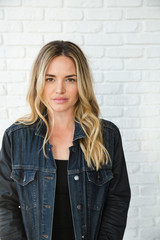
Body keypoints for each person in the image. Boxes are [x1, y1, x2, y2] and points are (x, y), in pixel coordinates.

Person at [0, 40, 131, 240]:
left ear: (82, 83)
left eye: (70, 79)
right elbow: (4, 204)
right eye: (50, 79)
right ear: (39, 81)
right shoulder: (16, 137)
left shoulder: (106, 136)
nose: (59, 89)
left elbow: (117, 201)